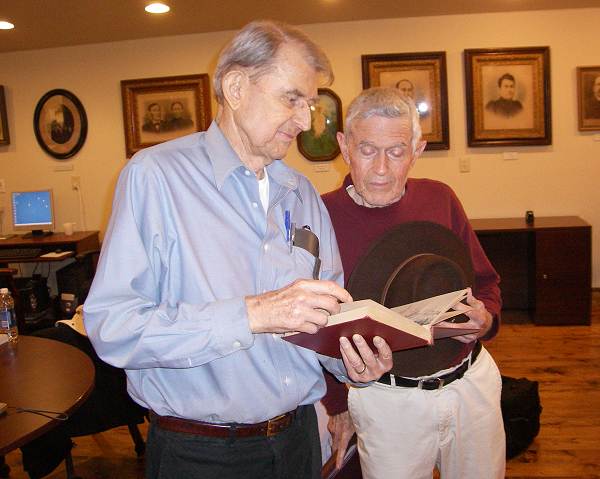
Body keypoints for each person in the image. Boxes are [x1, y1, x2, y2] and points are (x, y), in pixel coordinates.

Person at [83, 20, 393, 479]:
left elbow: (326, 321)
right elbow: (112, 327)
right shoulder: (156, 178)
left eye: (309, 104)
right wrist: (251, 314)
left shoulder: (303, 193)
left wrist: (353, 362)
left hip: (299, 441)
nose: (307, 121)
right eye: (292, 99)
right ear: (235, 87)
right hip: (201, 452)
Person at [321, 87, 505, 478]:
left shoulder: (441, 198)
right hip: (388, 399)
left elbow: (486, 283)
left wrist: (486, 321)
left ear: (416, 151)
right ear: (345, 146)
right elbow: (315, 323)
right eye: (368, 150)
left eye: (396, 151)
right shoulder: (322, 216)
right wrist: (338, 405)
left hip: (471, 384)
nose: (382, 169)